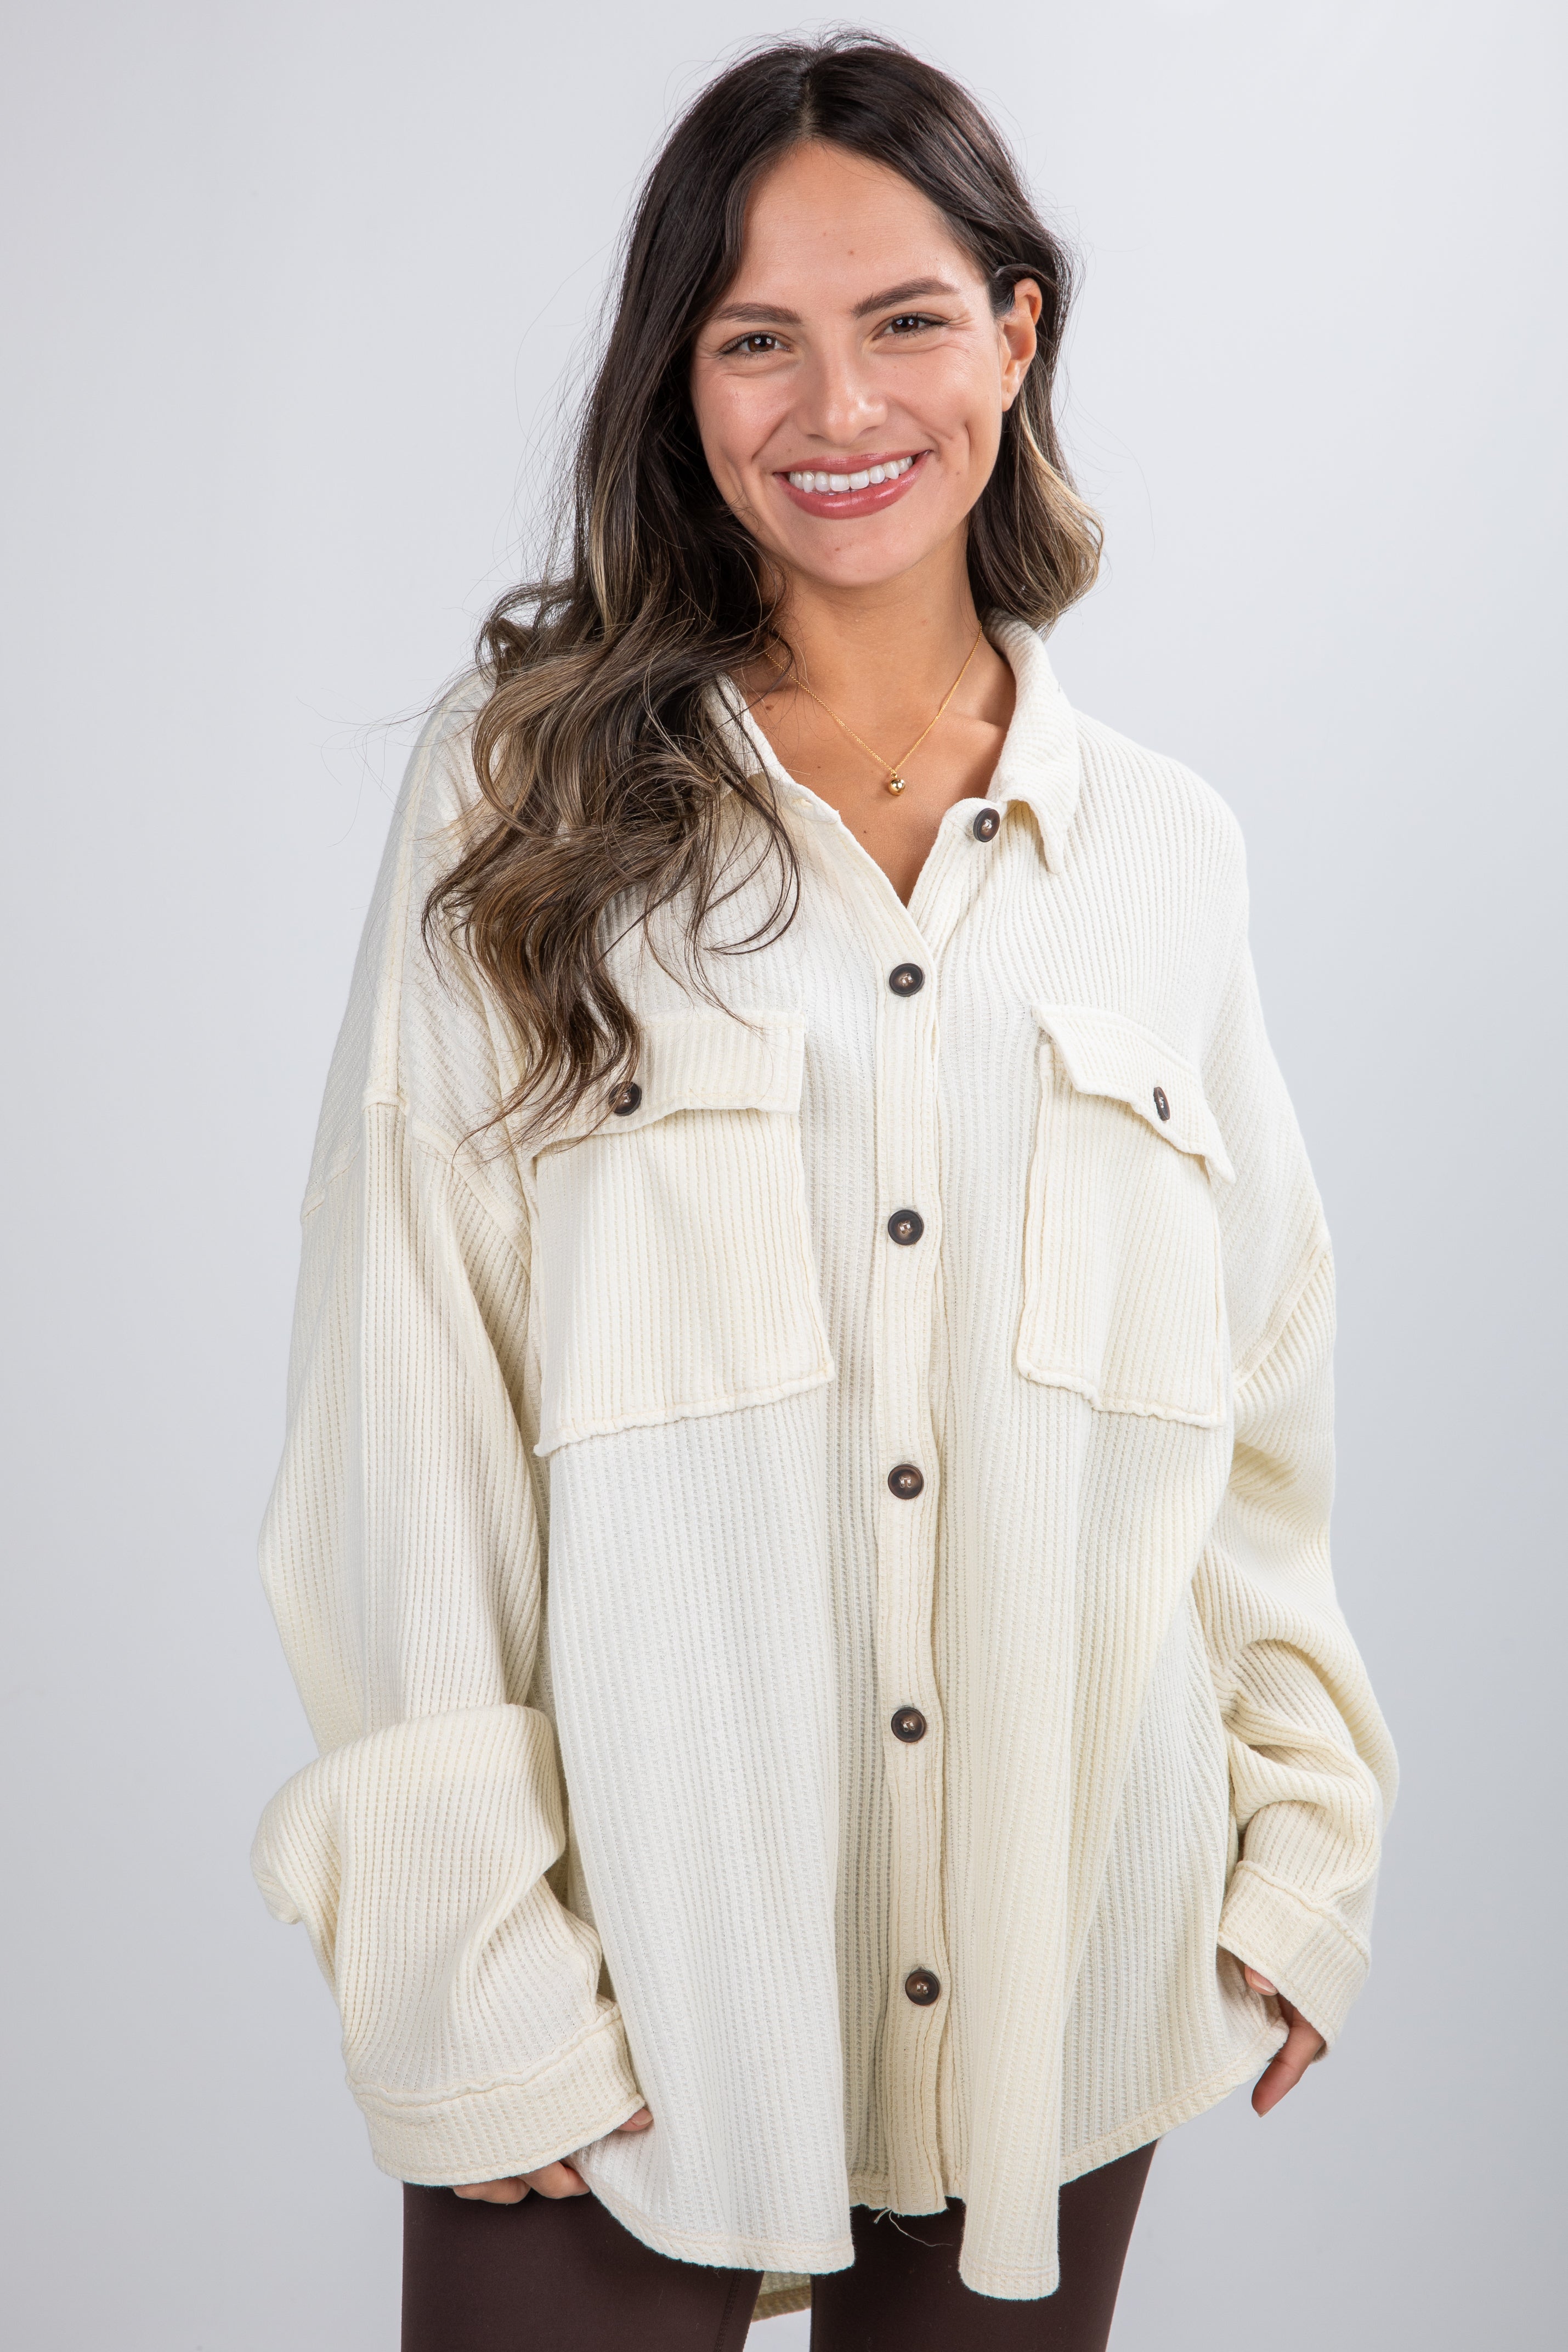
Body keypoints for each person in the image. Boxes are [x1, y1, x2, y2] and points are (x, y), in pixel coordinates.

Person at [251, 34, 1397, 2352]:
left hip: (1063, 1945)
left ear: (1015, 332)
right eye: (751, 336)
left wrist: (1299, 1843)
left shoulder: (1165, 857)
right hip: (624, 1950)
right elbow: (409, 1383)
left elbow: (1255, 1388)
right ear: (677, 383)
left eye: (899, 319)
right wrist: (470, 1952)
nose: (829, 402)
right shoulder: (522, 806)